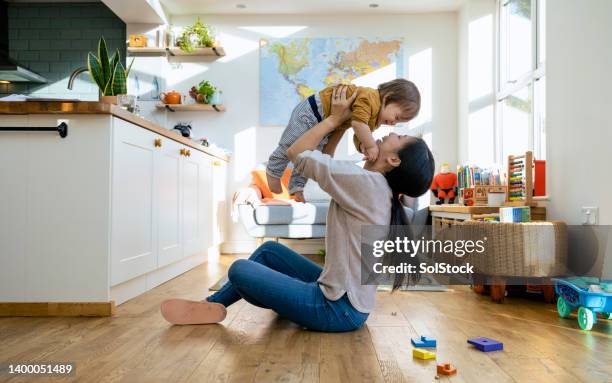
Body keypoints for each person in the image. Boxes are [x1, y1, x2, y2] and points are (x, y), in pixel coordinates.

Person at [160, 86, 434, 332]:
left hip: (336, 309)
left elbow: (297, 152)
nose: (392, 132)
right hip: (343, 299)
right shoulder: (373, 187)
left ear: (394, 159)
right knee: (269, 251)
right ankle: (212, 307)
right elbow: (322, 162)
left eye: (399, 135)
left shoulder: (365, 183)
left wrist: (333, 119)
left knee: (239, 270)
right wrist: (341, 125)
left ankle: (254, 300)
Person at [266, 80, 421, 202]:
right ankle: (273, 170)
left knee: (311, 154)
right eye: (397, 117)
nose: (394, 124)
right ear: (387, 99)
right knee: (289, 144)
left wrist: (362, 145)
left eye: (398, 122)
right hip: (312, 111)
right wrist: (370, 144)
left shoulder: (375, 120)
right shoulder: (370, 98)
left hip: (327, 120)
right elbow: (358, 124)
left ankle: (296, 186)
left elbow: (358, 133)